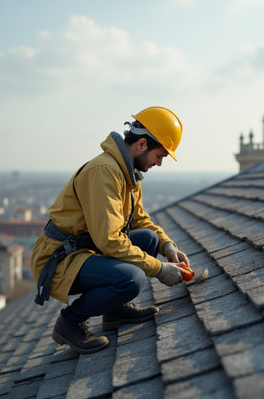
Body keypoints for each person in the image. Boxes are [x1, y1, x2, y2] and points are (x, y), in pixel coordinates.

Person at [31, 106, 190, 354]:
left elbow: (141, 221)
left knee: (148, 239)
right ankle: (69, 323)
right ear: (142, 145)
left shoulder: (128, 174)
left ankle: (115, 311)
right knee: (132, 278)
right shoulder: (105, 172)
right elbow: (110, 241)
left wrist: (167, 246)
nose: (159, 163)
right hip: (60, 258)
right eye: (160, 156)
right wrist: (160, 269)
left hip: (85, 250)